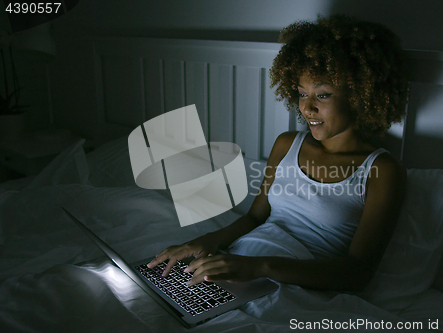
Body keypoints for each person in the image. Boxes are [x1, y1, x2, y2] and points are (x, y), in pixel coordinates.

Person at [148, 15, 408, 292]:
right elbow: (255, 218)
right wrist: (206, 241)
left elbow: (357, 273)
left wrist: (259, 267)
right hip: (238, 263)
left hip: (294, 285)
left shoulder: (382, 170)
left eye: (322, 95)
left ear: (359, 95)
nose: (307, 108)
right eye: (300, 93)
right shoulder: (287, 144)